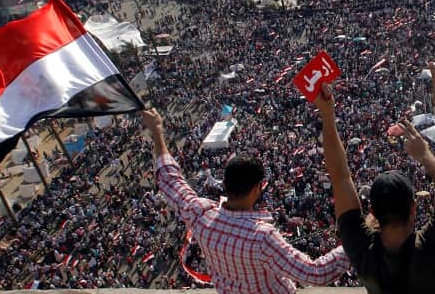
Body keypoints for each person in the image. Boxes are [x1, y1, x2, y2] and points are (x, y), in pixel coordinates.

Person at [141, 108, 349, 293]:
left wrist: (157, 134)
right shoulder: (262, 238)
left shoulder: (200, 215)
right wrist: (357, 239)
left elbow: (170, 180)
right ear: (257, 188)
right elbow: (315, 273)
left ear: (225, 183)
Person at [319, 61, 435, 294]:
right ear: (414, 208)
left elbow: (340, 179)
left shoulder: (362, 250)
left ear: (373, 213)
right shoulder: (433, 248)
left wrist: (326, 113)